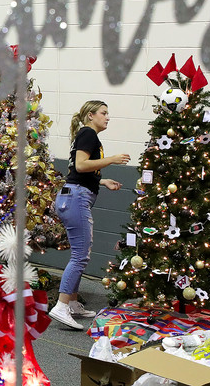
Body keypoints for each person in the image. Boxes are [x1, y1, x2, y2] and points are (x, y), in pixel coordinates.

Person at [49, 100, 130, 330]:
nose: (107, 117)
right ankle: (62, 305)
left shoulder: (86, 135)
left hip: (72, 195)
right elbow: (81, 165)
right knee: (81, 256)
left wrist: (101, 180)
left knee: (79, 253)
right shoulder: (88, 134)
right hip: (76, 198)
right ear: (91, 115)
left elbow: (79, 171)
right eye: (104, 113)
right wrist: (112, 159)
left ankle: (73, 303)